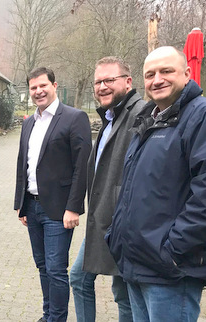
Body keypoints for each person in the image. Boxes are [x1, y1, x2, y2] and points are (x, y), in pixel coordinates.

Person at [105, 46, 206, 321]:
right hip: (136, 263)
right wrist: (116, 239)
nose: (157, 79)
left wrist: (172, 251)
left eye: (166, 71)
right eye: (150, 74)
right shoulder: (149, 120)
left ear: (187, 74)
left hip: (170, 271)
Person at [70, 57, 145, 322]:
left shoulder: (141, 115)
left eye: (109, 80)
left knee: (120, 292)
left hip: (124, 224)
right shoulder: (111, 117)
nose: (102, 86)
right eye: (98, 82)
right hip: (104, 221)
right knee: (91, 281)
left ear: (128, 81)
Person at [14, 67, 92, 322]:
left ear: (54, 86)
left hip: (59, 210)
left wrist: (74, 207)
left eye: (42, 86)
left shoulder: (73, 118)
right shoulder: (29, 122)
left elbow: (83, 167)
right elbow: (22, 164)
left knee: (57, 270)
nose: (38, 91)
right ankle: (48, 315)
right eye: (33, 88)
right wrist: (21, 204)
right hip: (32, 207)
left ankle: (57, 319)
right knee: (43, 266)